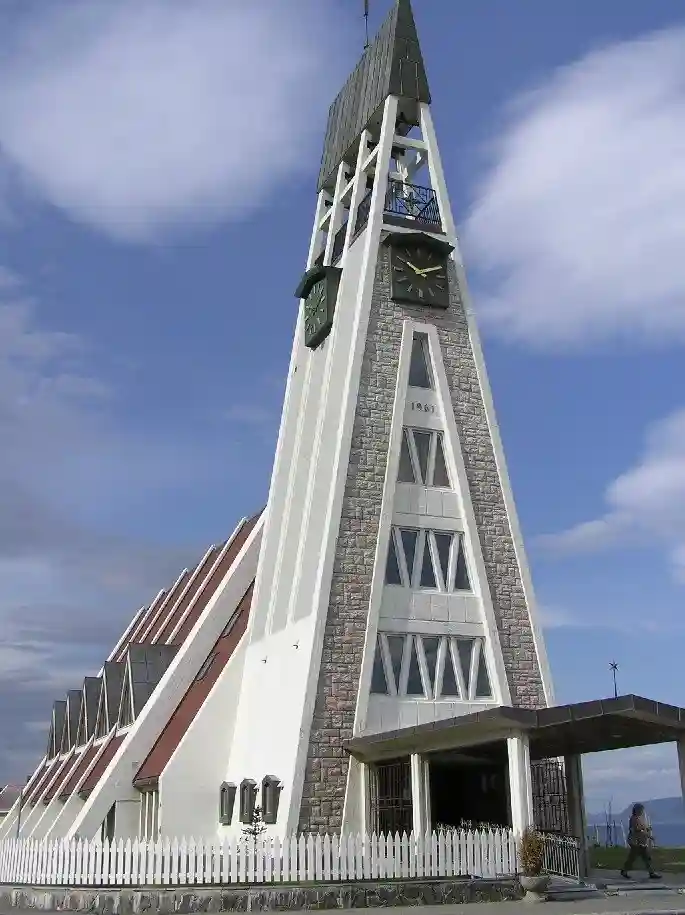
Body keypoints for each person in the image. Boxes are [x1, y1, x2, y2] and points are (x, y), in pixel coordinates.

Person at [620, 803, 661, 880]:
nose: (642, 811)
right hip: (636, 842)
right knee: (633, 858)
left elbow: (642, 829)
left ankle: (651, 873)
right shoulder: (634, 819)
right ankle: (625, 871)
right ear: (636, 810)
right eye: (640, 810)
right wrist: (649, 836)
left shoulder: (639, 818)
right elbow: (637, 830)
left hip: (641, 842)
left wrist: (647, 829)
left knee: (645, 857)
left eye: (642, 810)